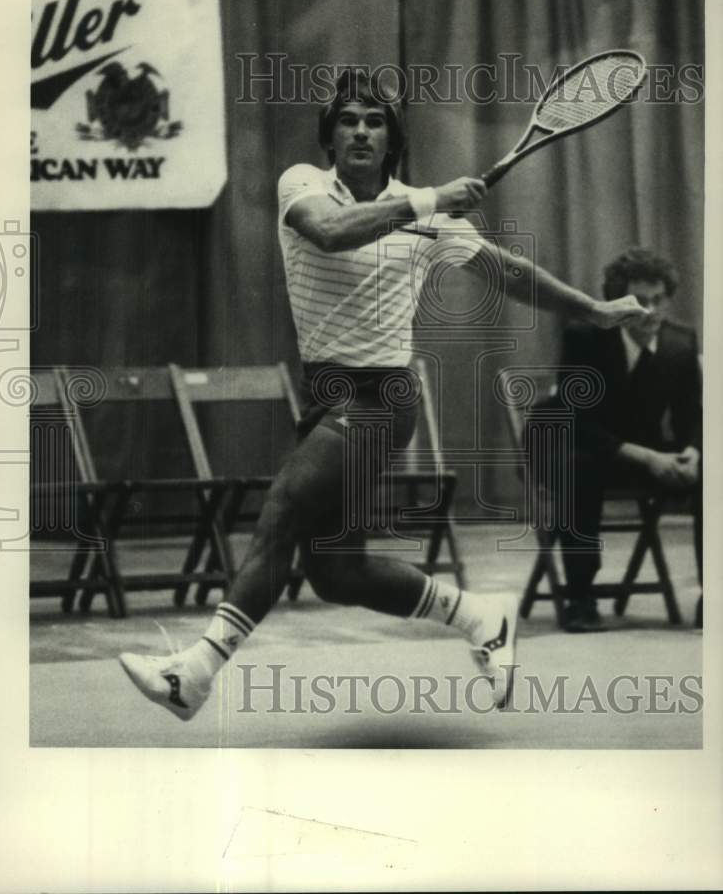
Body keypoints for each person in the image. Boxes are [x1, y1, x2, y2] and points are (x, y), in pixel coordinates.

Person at [119, 69, 649, 720]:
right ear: (330, 137)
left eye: (374, 121)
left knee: (281, 508)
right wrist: (427, 201)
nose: (361, 130)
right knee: (336, 572)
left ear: (391, 138)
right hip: (327, 396)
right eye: (348, 119)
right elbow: (331, 232)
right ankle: (479, 615)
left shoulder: (435, 221)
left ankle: (193, 675)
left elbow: (509, 272)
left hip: (381, 402)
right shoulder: (303, 185)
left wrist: (591, 310)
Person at [550, 248, 702, 632]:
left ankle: (711, 594)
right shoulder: (584, 337)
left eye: (658, 300)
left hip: (641, 451)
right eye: (639, 302)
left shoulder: (680, 343)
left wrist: (694, 452)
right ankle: (580, 596)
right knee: (577, 469)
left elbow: (693, 416)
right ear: (618, 303)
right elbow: (576, 421)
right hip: (572, 445)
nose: (649, 311)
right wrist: (650, 459)